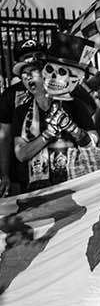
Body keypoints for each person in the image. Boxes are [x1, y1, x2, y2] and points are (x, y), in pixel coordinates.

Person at [10, 33, 100, 192]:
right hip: (36, 191)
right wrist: (47, 134)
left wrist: (73, 129)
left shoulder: (75, 104)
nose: (27, 76)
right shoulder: (21, 111)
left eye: (33, 71)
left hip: (73, 185)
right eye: (24, 73)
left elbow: (92, 142)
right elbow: (21, 154)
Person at [0, 36, 47, 196]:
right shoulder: (10, 95)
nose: (31, 61)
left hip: (60, 170)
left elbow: (89, 112)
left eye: (36, 58)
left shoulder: (60, 85)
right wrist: (5, 174)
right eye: (26, 59)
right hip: (22, 175)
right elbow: (4, 136)